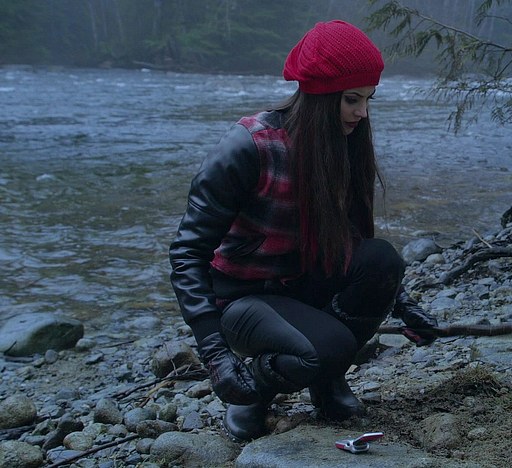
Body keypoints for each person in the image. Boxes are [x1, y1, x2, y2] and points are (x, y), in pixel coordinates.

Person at [168, 20, 439, 442]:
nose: (363, 113)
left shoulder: (345, 141)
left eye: (368, 99)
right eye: (352, 99)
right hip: (242, 299)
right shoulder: (247, 147)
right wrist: (216, 355)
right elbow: (187, 254)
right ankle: (254, 391)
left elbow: (354, 239)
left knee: (382, 260)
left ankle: (326, 376)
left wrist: (401, 302)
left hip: (301, 283)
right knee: (328, 348)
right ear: (319, 95)